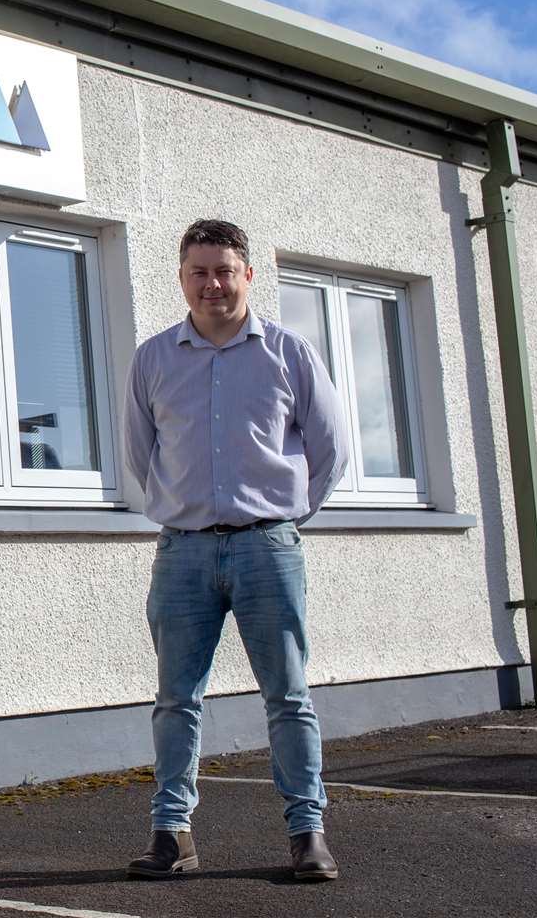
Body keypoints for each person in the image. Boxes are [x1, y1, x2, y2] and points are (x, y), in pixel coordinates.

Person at [122, 219, 349, 882]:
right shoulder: (154, 359)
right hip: (183, 553)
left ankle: (308, 834)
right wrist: (181, 508)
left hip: (266, 549)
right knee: (175, 700)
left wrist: (283, 518)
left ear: (248, 275)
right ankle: (173, 836)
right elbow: (141, 455)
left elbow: (330, 450)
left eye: (225, 270)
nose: (212, 284)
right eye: (199, 271)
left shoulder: (289, 354)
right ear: (182, 278)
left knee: (287, 696)